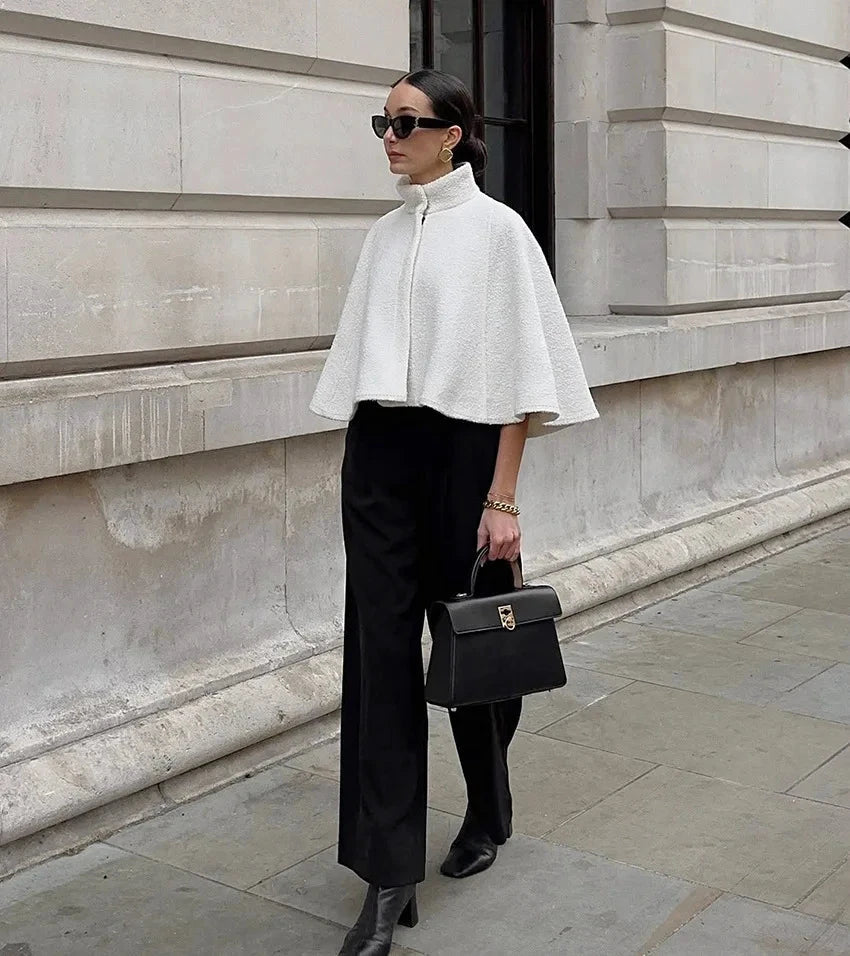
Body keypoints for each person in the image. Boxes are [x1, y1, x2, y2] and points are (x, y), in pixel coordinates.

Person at [309, 68, 599, 956]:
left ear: (455, 133)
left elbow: (523, 375)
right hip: (382, 456)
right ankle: (390, 874)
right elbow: (366, 358)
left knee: (475, 643)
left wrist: (503, 497)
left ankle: (487, 803)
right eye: (383, 123)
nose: (390, 138)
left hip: (469, 456)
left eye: (406, 123)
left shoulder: (499, 232)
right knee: (381, 654)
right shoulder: (385, 237)